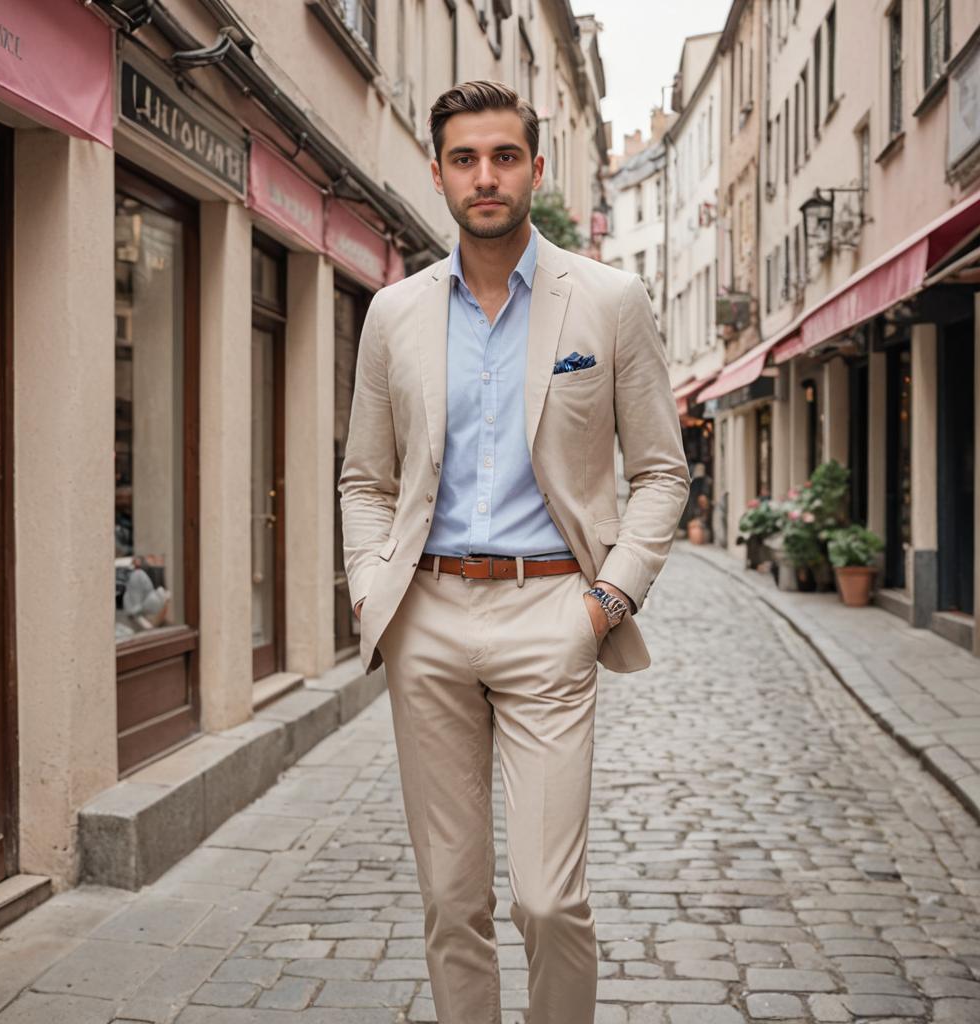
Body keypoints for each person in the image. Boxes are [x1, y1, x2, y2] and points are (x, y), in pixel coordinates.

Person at [339, 81, 689, 1024]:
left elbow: (662, 471)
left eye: (503, 157)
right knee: (453, 902)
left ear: (536, 167)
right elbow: (365, 479)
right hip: (430, 617)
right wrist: (377, 591)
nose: (484, 177)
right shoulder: (394, 314)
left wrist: (606, 600)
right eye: (464, 159)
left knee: (549, 899)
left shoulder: (609, 300)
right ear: (441, 173)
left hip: (553, 616)